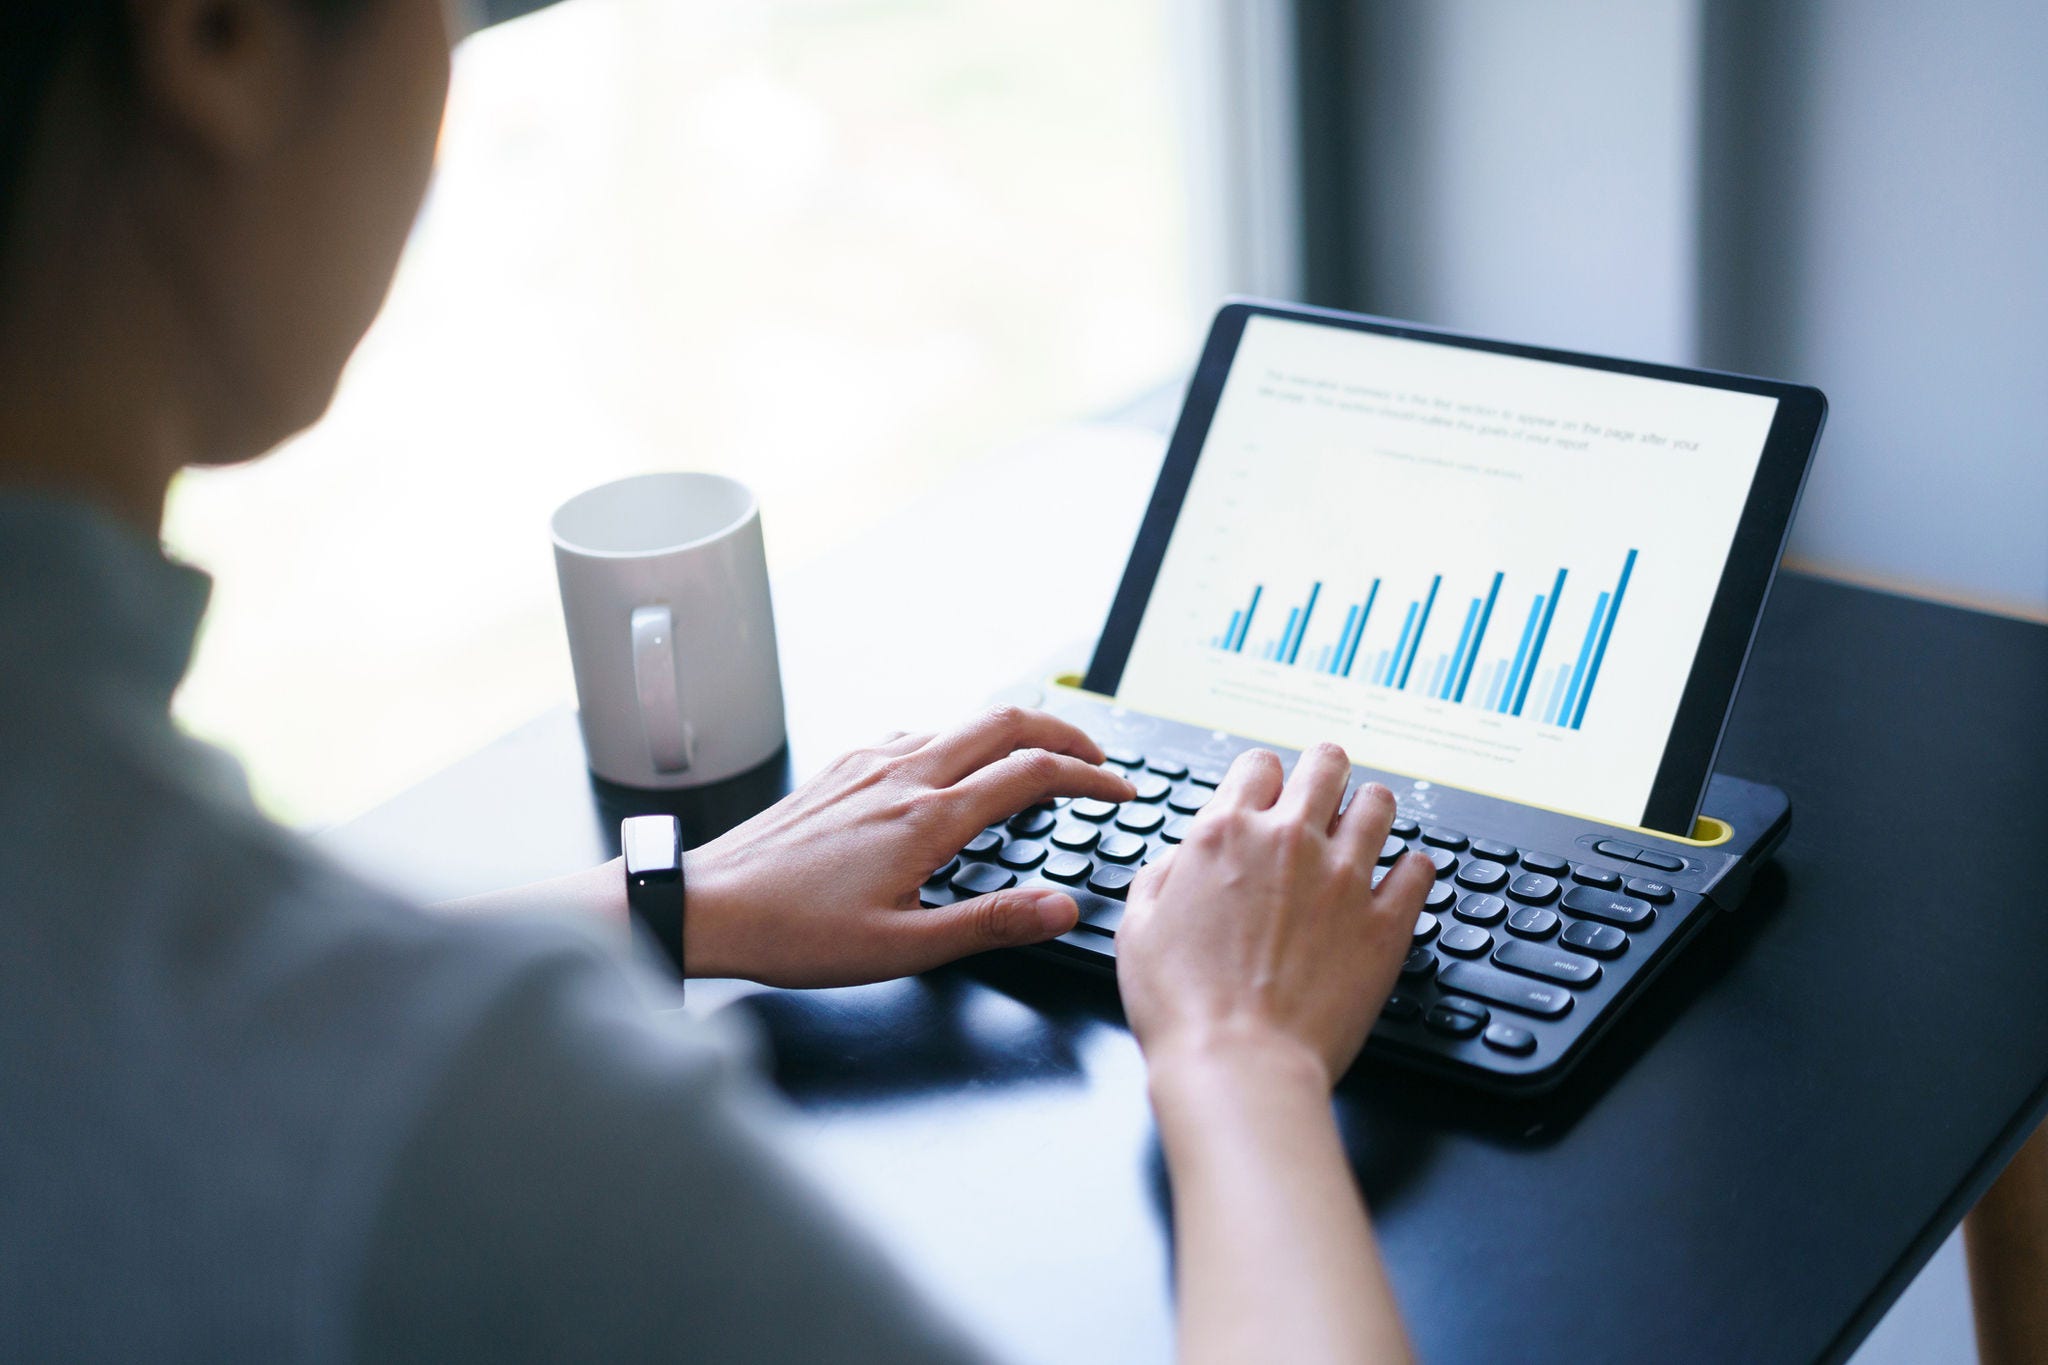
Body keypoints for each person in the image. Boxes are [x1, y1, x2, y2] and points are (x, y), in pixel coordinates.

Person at [0, 2, 1435, 1360]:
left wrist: (682, 901)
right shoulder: (444, 1116)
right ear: (217, 32)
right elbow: (319, 1045)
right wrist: (1239, 1058)